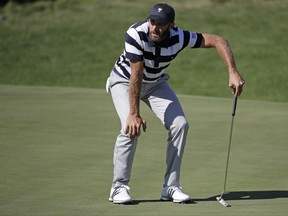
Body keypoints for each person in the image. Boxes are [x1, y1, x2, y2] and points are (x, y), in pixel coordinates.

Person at [106, 3, 245, 204]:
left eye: (161, 24)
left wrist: (232, 71)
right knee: (129, 126)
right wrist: (134, 114)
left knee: (180, 124)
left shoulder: (179, 37)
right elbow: (136, 74)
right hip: (124, 81)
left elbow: (218, 40)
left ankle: (170, 187)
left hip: (155, 83)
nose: (155, 27)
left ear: (171, 25)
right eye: (152, 21)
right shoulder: (135, 34)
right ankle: (118, 187)